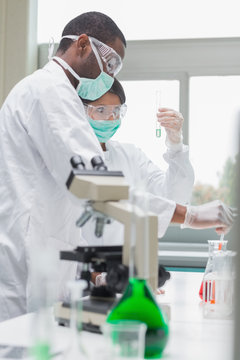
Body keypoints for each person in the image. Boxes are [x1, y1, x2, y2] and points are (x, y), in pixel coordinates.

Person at [0, 11, 127, 322]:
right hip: (28, 262)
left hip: (44, 255)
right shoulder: (50, 90)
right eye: (110, 64)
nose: (110, 77)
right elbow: (93, 179)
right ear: (82, 44)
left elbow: (67, 198)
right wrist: (183, 214)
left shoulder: (57, 92)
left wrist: (99, 266)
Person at [79, 79, 235, 248]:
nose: (111, 118)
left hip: (127, 267)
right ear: (81, 110)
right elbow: (113, 198)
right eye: (101, 110)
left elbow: (173, 196)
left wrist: (175, 144)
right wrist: (191, 216)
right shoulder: (72, 156)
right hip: (83, 269)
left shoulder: (130, 155)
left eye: (116, 110)